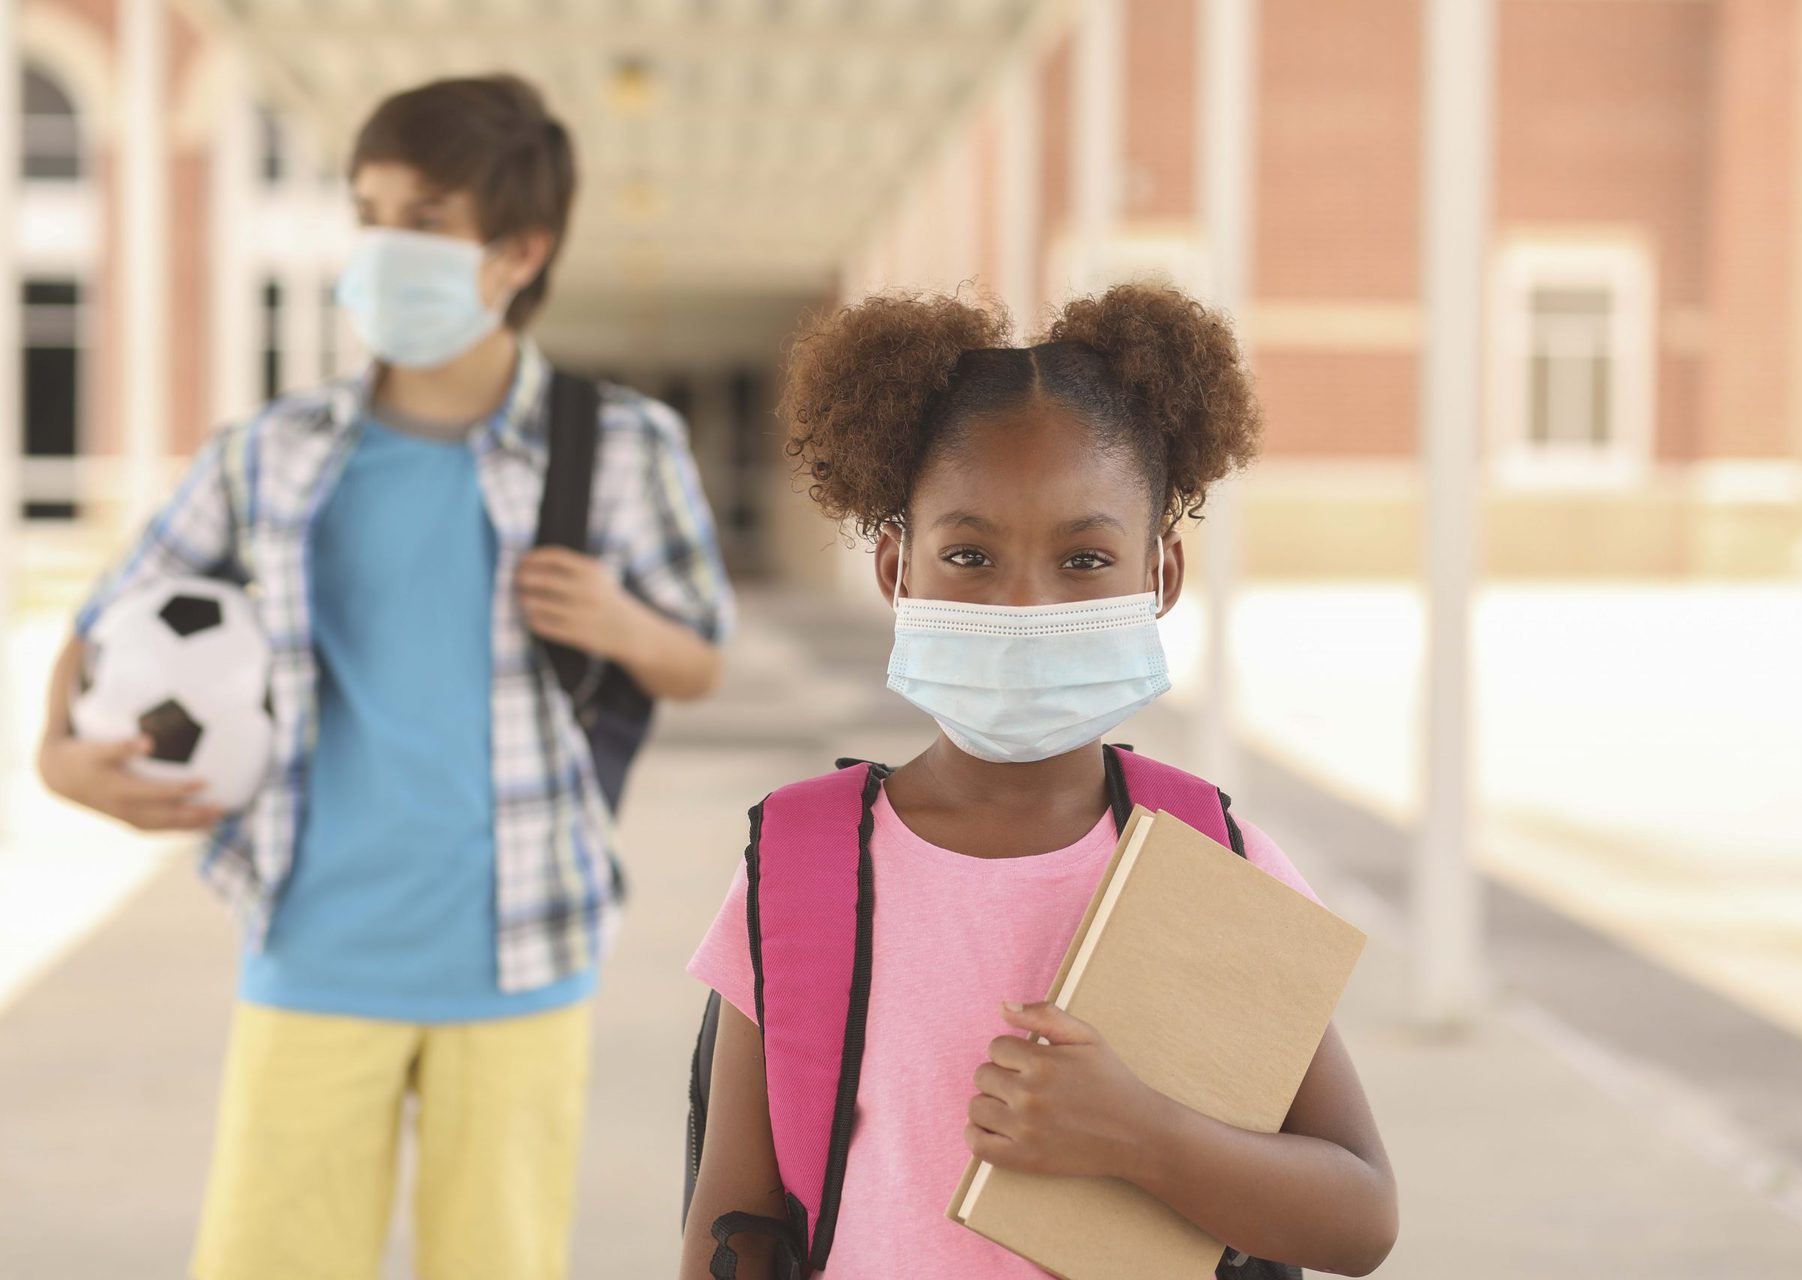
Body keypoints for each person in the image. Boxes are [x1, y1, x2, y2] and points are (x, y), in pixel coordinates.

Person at [36, 75, 733, 1280]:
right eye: (368, 207)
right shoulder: (273, 453)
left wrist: (620, 619)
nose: (381, 243)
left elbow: (700, 657)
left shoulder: (619, 445)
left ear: (521, 250)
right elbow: (109, 615)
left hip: (523, 947)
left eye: (423, 213)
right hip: (314, 943)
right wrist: (59, 753)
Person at [679, 284, 1397, 1278]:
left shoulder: (1210, 859)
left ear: (1161, 575)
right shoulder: (798, 875)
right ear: (897, 571)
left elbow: (1359, 1215)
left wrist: (1144, 1135)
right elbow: (731, 1226)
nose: (1024, 604)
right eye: (969, 553)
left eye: (1084, 556)